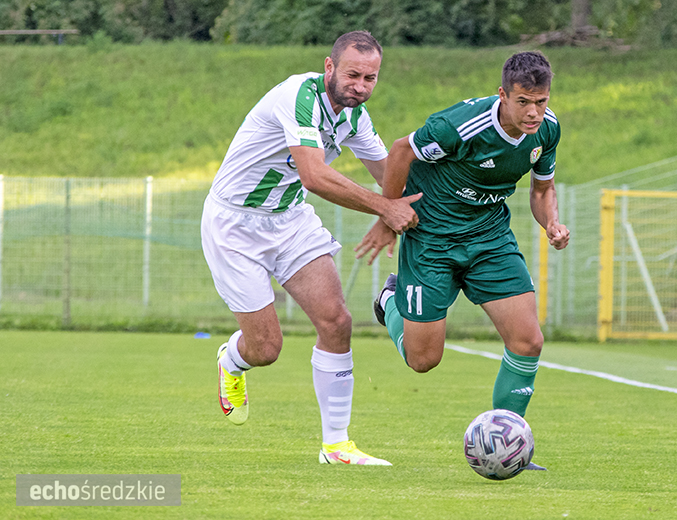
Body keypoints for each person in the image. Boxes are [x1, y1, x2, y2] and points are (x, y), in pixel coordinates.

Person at [201, 31, 422, 465]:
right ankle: (232, 361)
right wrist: (385, 210)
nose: (360, 85)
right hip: (234, 224)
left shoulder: (355, 118)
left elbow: (390, 179)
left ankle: (335, 445)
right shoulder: (297, 95)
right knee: (265, 349)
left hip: (289, 219)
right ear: (329, 67)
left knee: (337, 321)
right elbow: (314, 176)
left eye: (371, 78)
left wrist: (448, 209)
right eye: (353, 74)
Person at [357, 51, 569, 431]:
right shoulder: (460, 126)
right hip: (432, 239)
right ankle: (390, 301)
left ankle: (507, 439)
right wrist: (388, 213)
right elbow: (401, 150)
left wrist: (551, 222)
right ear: (502, 95)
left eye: (541, 102)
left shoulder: (547, 130)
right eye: (523, 102)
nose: (534, 113)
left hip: (490, 239)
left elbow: (542, 190)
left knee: (527, 341)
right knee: (422, 360)